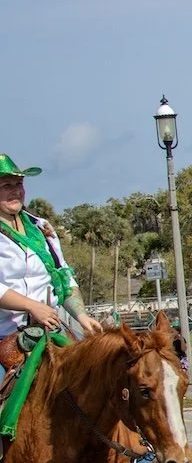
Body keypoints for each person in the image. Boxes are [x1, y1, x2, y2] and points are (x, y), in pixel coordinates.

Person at [0, 153, 102, 359]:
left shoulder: (42, 228)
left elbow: (64, 277)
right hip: (5, 335)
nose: (16, 191)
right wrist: (32, 306)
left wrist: (82, 317)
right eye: (6, 186)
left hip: (52, 330)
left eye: (18, 184)